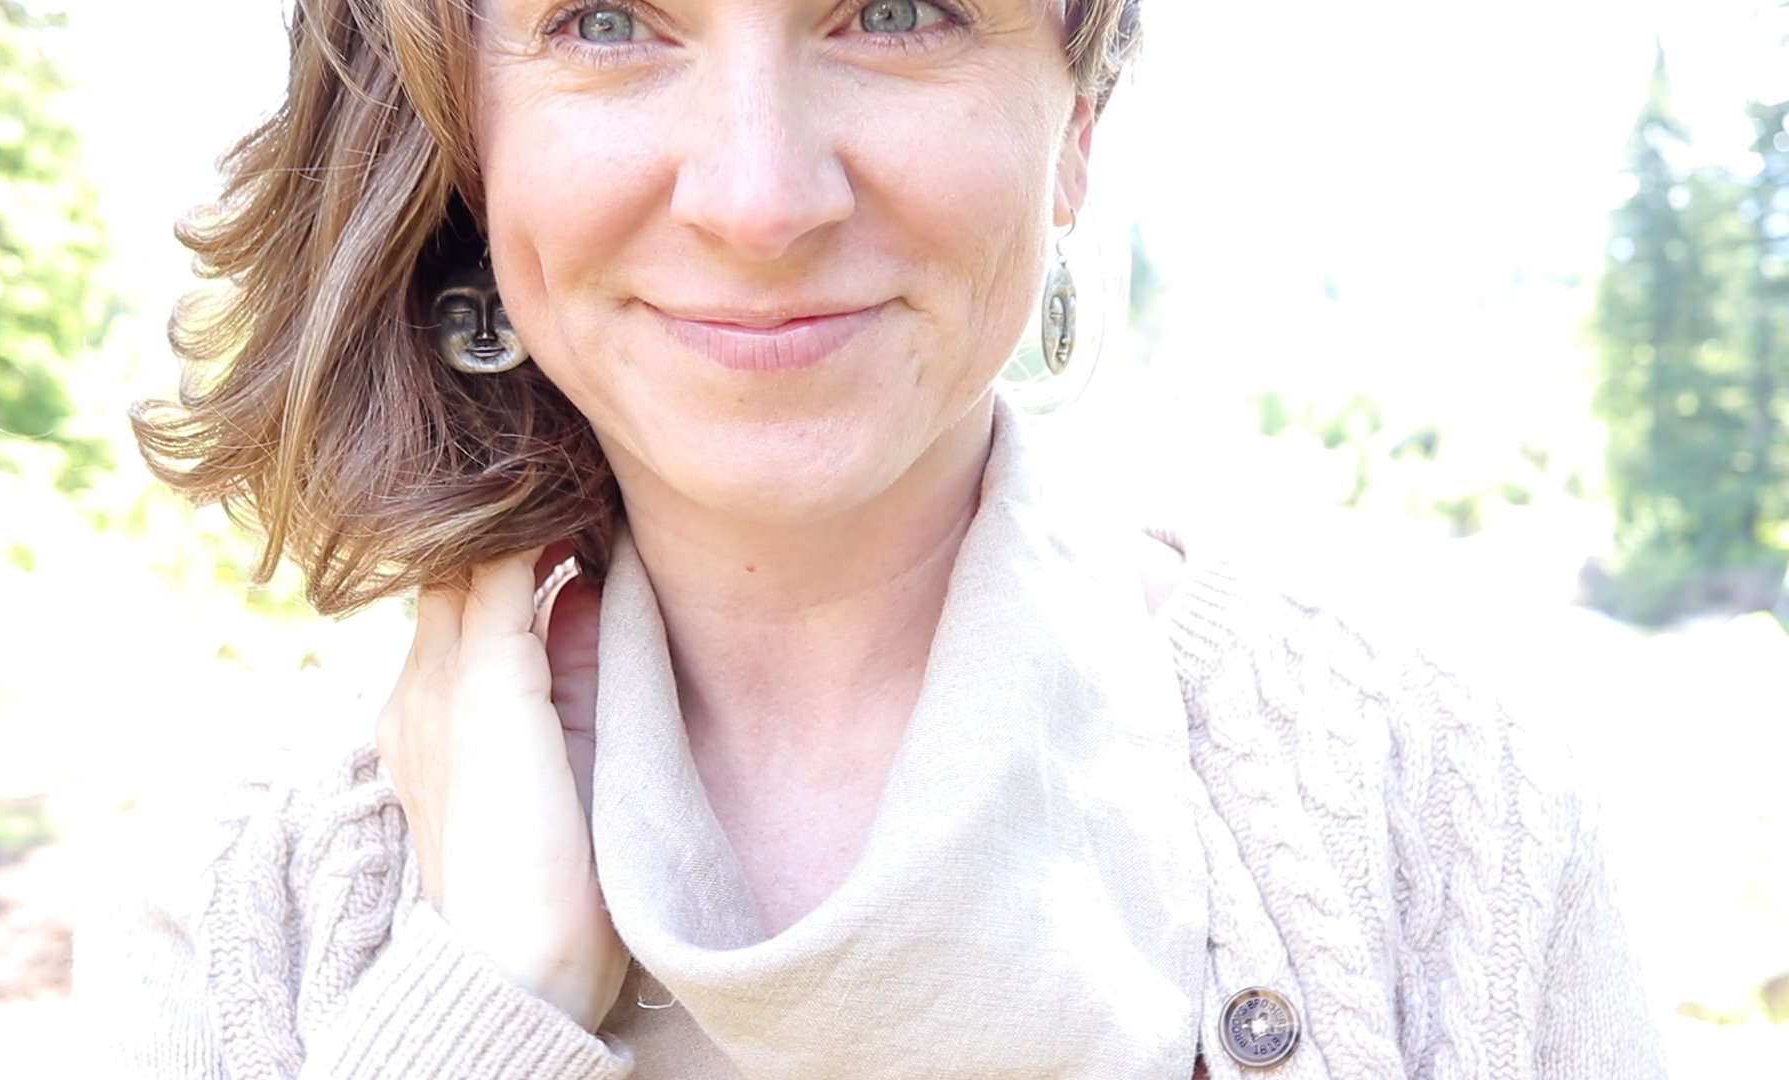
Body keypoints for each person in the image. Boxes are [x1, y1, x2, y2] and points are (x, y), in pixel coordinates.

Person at [86, 0, 1667, 1075]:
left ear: (1081, 121)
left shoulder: (1452, 808)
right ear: (463, 138)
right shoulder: (243, 891)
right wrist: (483, 1005)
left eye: (896, 6)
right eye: (610, 18)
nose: (760, 198)